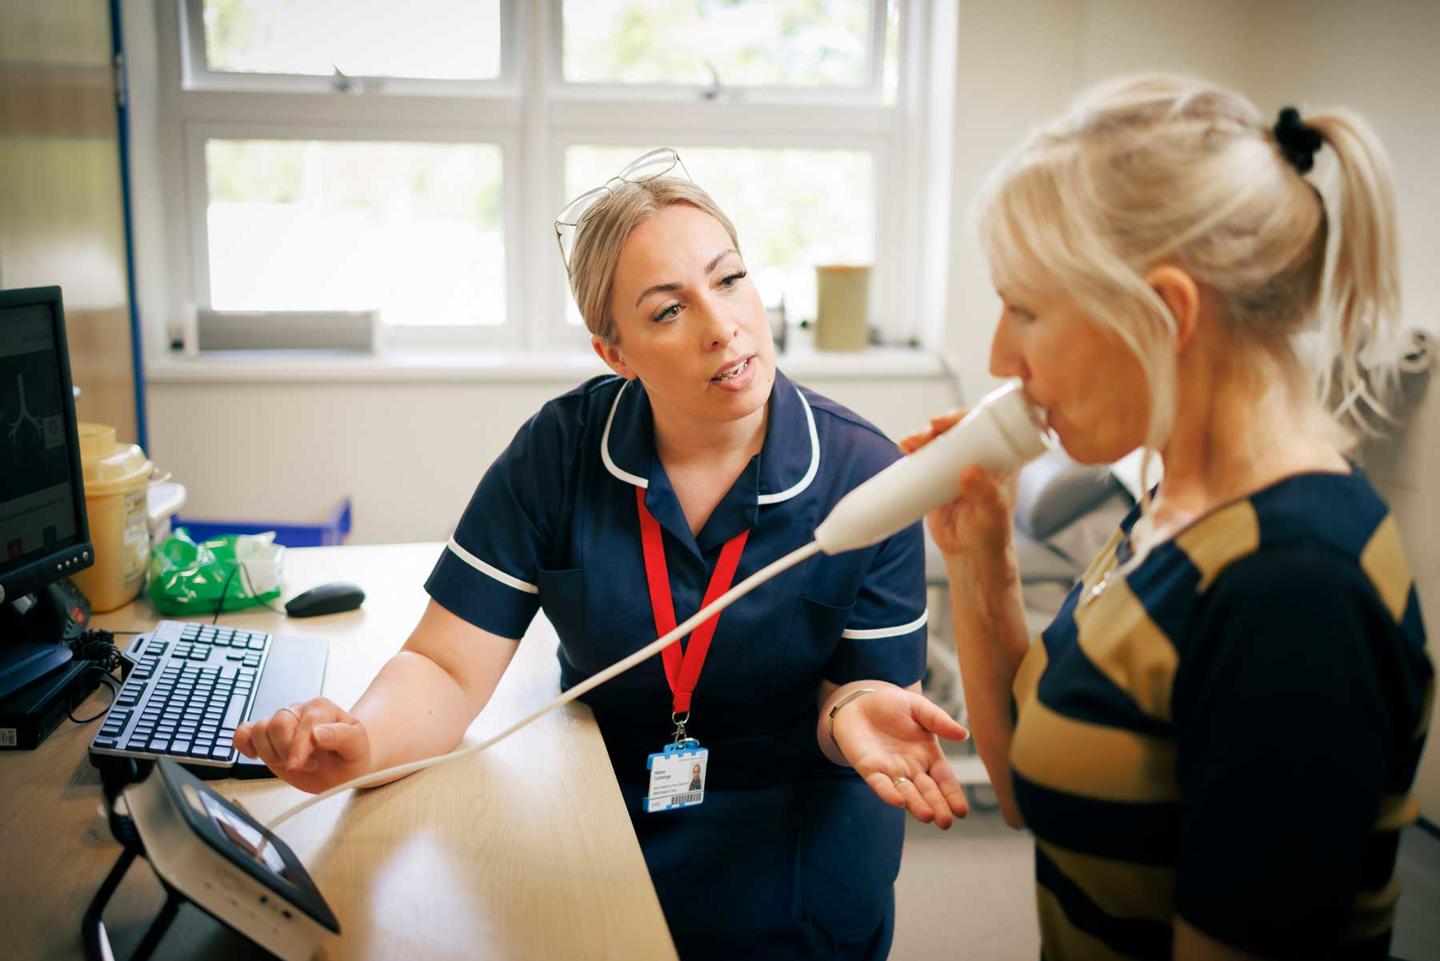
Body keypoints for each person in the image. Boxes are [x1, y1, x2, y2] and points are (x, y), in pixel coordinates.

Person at [235, 149, 969, 961]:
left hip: (795, 848)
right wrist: (360, 741)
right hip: (608, 821)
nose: (722, 325)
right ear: (614, 353)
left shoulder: (866, 476)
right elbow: (445, 668)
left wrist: (851, 710)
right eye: (667, 310)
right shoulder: (560, 454)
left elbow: (866, 689)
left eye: (730, 280)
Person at [839, 75, 1434, 959]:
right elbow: (1031, 783)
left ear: (1164, 312)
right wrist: (980, 557)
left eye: (1027, 309)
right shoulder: (1176, 503)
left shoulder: (1294, 593)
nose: (1001, 353)